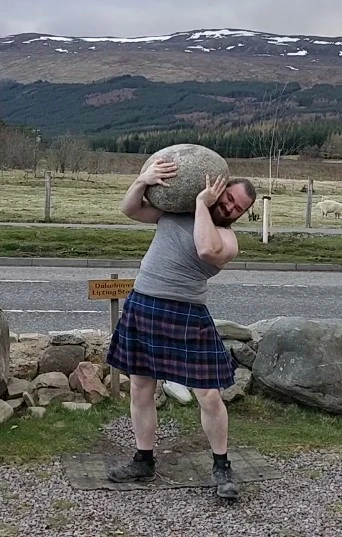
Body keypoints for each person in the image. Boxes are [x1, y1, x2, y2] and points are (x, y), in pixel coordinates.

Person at [107, 157, 256, 499]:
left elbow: (205, 248)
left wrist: (202, 204)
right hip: (143, 302)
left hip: (188, 312)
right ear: (217, 189)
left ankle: (222, 466)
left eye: (238, 207)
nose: (231, 207)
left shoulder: (227, 239)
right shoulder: (173, 212)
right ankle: (143, 460)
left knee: (209, 394)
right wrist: (143, 180)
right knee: (141, 387)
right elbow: (130, 209)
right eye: (228, 198)